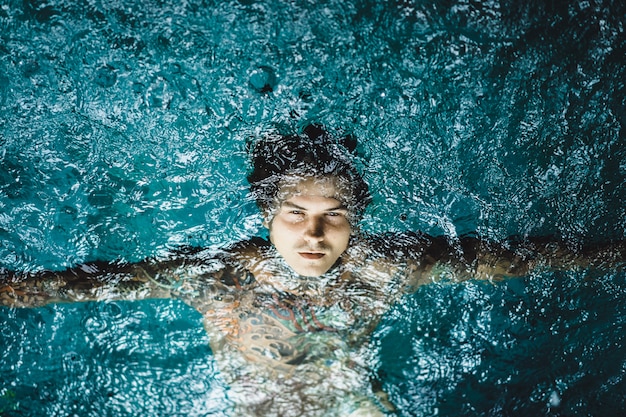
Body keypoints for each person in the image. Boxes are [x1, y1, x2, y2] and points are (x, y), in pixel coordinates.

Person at [1, 125, 625, 416]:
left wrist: (610, 253)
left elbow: (520, 258)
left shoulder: (390, 266)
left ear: (357, 217)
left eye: (334, 215)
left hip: (351, 404)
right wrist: (17, 291)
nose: (314, 234)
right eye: (295, 212)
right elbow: (94, 282)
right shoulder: (216, 274)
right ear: (266, 212)